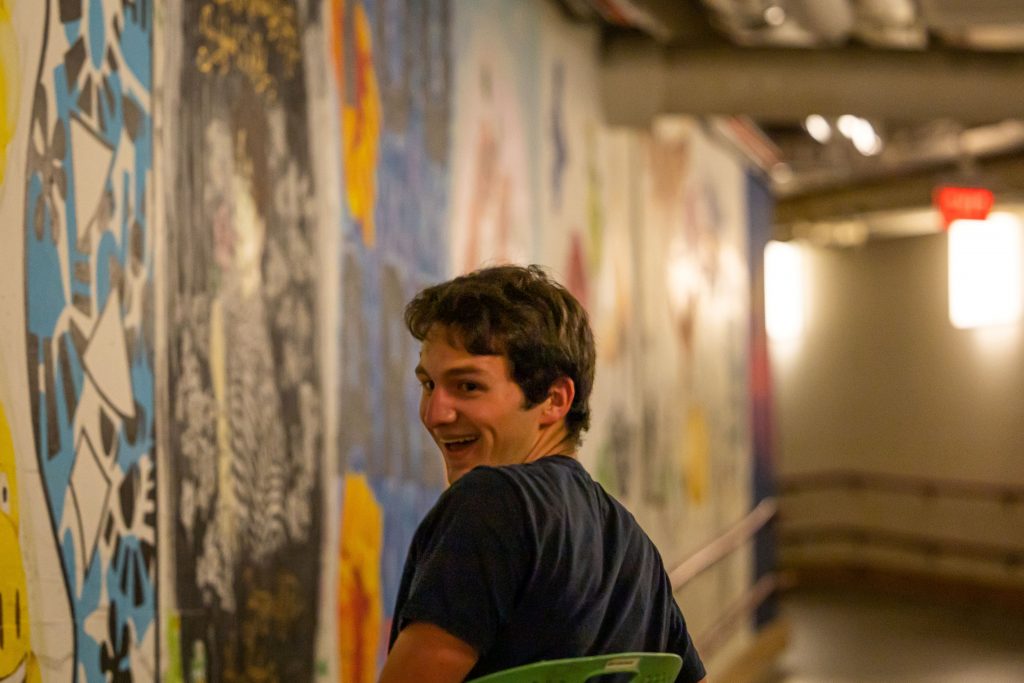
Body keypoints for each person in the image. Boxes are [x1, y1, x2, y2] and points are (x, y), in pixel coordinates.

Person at [379, 264, 707, 683]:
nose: (435, 414)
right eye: (428, 385)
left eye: (468, 387)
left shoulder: (491, 503)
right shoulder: (631, 543)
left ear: (555, 399)